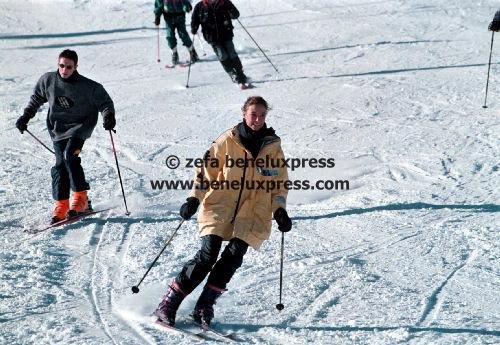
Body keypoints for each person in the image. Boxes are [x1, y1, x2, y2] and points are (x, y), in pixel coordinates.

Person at [153, 96, 292, 326]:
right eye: (253, 114)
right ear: (244, 114)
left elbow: (279, 183)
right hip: (221, 204)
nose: (257, 120)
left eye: (262, 115)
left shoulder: (273, 146)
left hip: (252, 211)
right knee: (208, 255)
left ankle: (204, 306)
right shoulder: (228, 140)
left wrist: (280, 211)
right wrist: (194, 198)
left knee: (233, 256)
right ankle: (169, 303)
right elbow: (206, 172)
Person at [15, 49, 116, 224]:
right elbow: (36, 98)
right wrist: (25, 117)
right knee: (60, 164)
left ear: (76, 67)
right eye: (61, 66)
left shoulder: (88, 86)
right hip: (58, 129)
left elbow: (105, 102)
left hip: (80, 127)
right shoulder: (48, 80)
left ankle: (81, 198)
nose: (64, 70)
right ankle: (61, 203)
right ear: (58, 64)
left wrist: (109, 117)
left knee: (71, 156)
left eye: (69, 67)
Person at [191, 0, 250, 87]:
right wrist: (194, 27)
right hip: (211, 36)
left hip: (226, 33)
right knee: (222, 55)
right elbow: (195, 19)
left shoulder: (224, 2)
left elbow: (236, 14)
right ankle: (232, 73)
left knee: (232, 53)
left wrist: (232, 12)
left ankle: (240, 73)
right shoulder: (200, 6)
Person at [154, 0, 199, 65]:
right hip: (168, 16)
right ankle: (174, 53)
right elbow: (159, 3)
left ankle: (192, 52)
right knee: (170, 35)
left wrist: (187, 6)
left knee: (183, 34)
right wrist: (157, 15)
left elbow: (185, 1)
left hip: (180, 15)